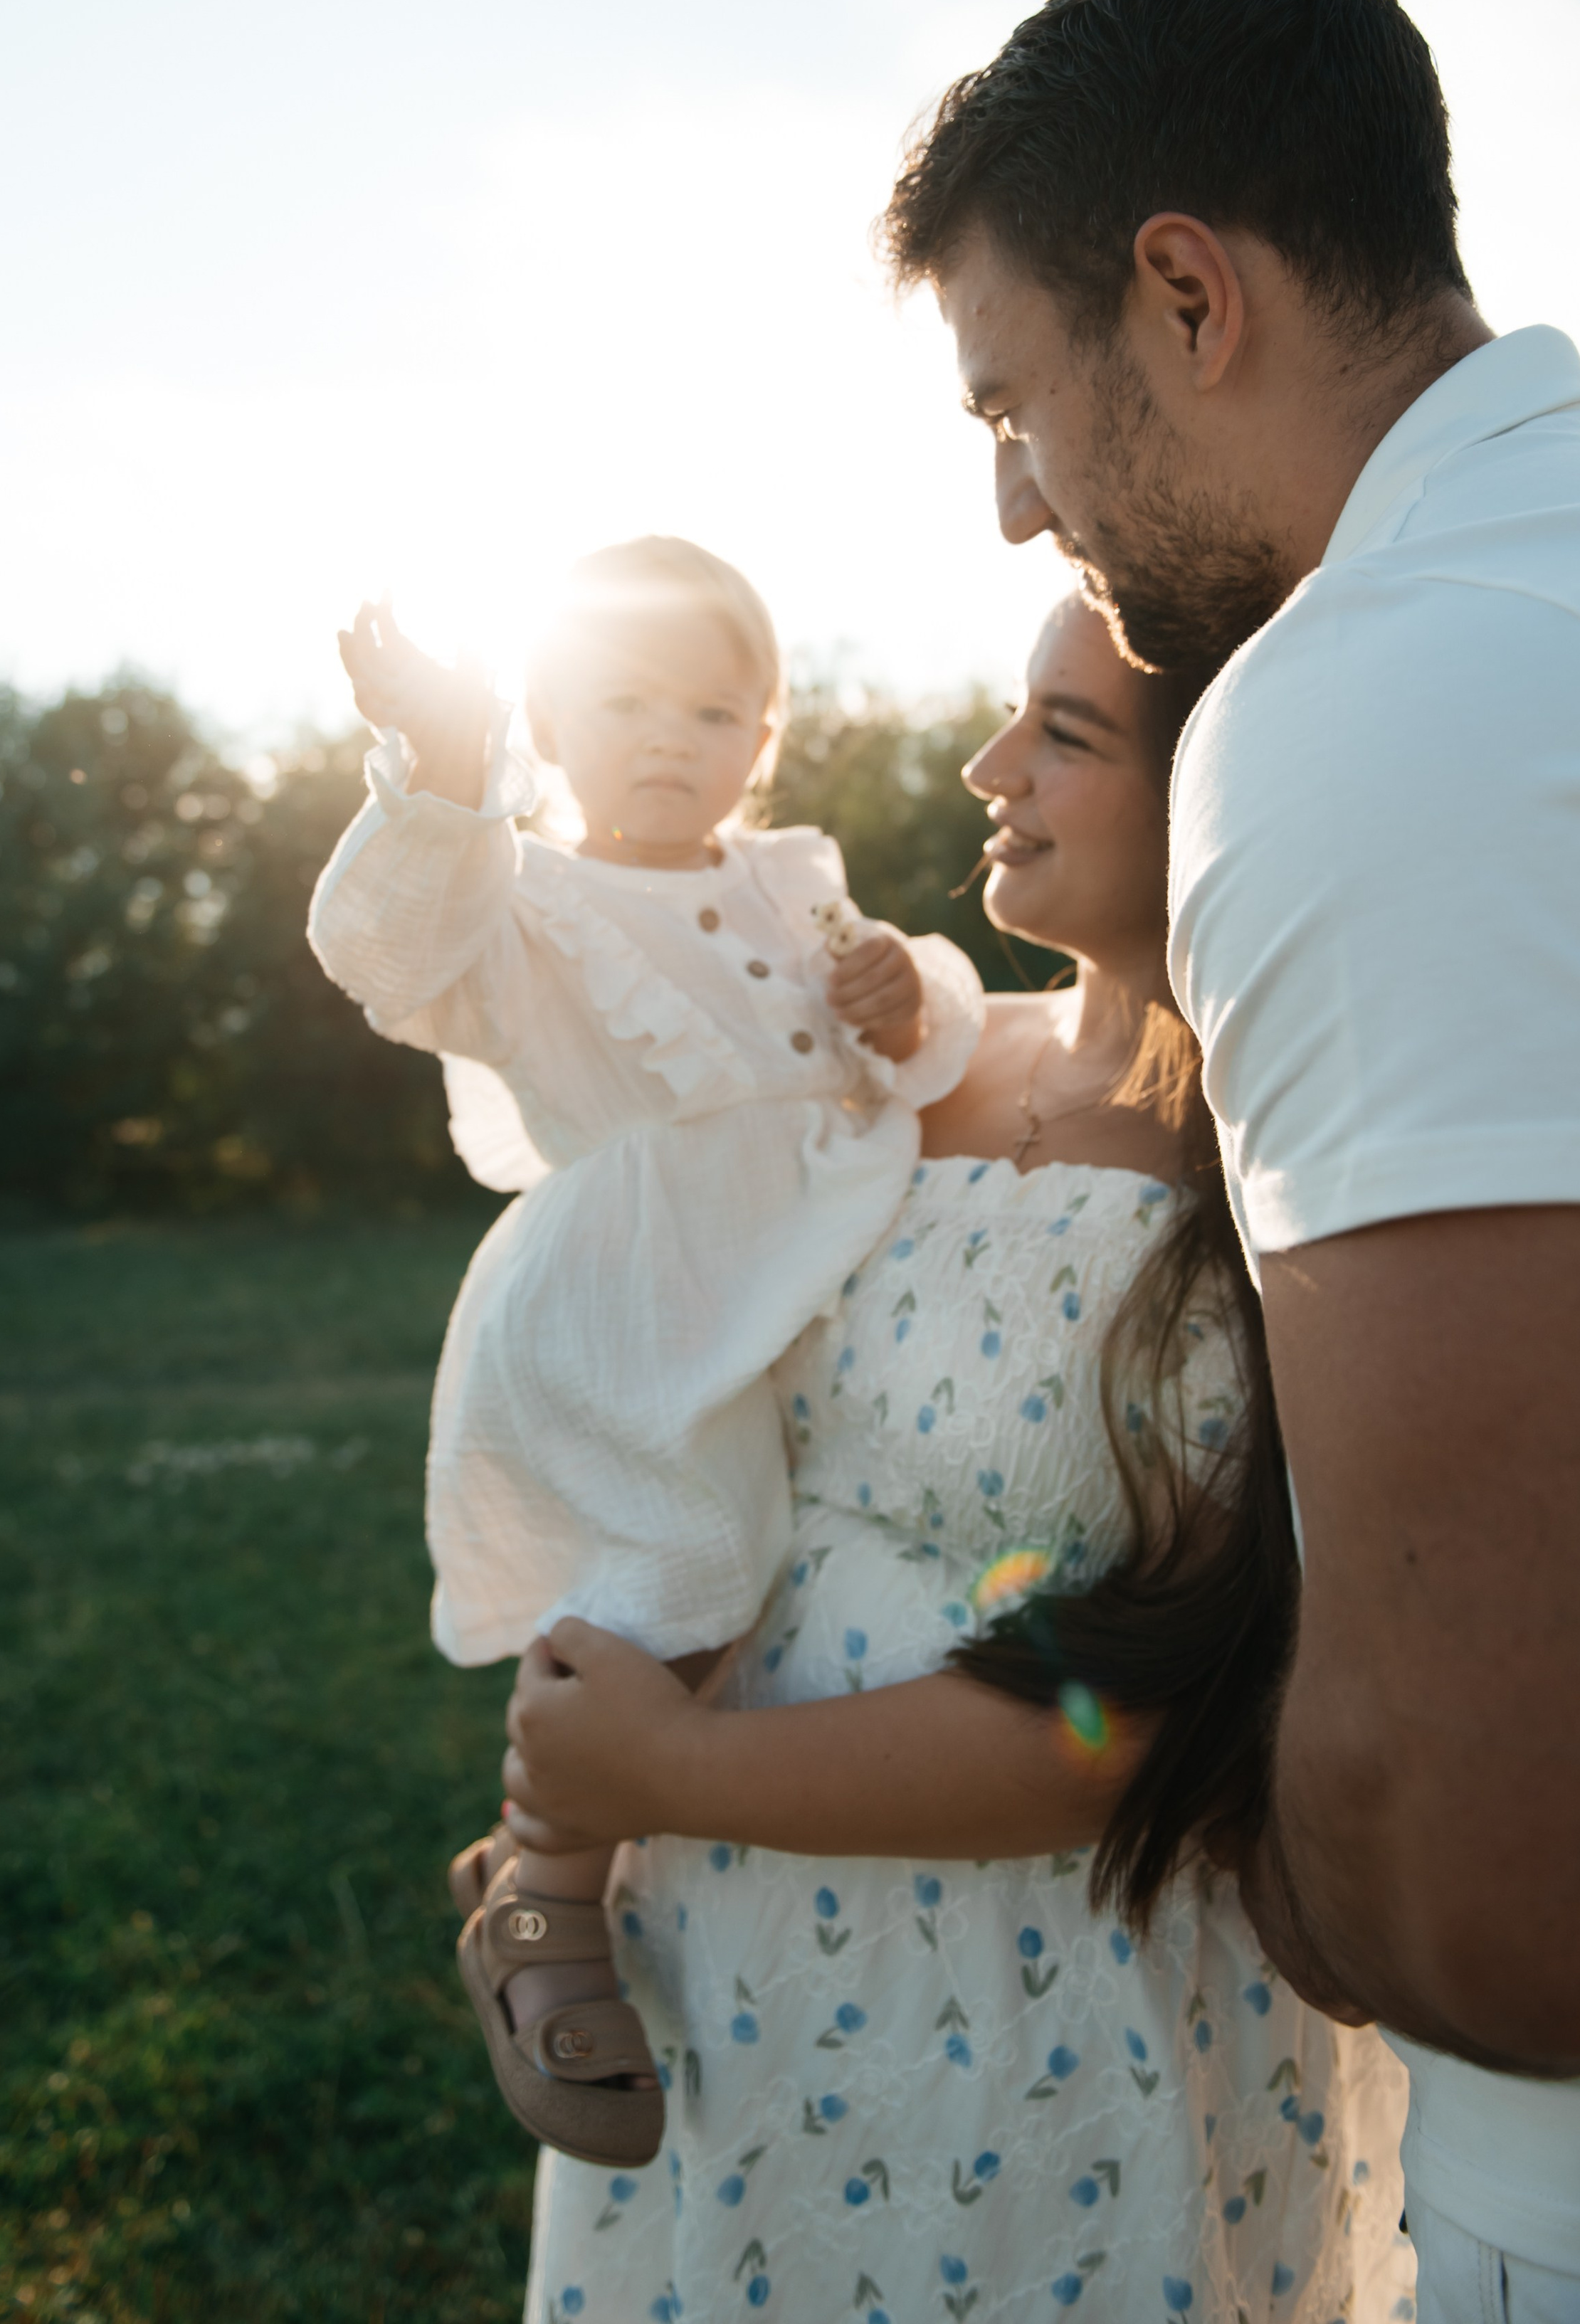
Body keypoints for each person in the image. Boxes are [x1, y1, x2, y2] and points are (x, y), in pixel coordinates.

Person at [882, 0, 1580, 2318]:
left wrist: (1297, 1868)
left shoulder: (1364, 705)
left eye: (1014, 401)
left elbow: (1512, 1882)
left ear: (1186, 295)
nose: (1018, 503)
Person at [505, 594, 1413, 2323]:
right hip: (733, 1951)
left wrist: (656, 1775)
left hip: (1058, 2005)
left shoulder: (1282, 1158)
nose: (987, 764)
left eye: (1063, 734)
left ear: (1227, 783)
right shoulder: (886, 1063)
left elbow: (1144, 1712)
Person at [305, 534, 984, 2167]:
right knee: (686, 1564)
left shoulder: (787, 881)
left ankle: (557, 1852)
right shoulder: (522, 901)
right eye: (623, 700)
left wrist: (907, 996)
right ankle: (537, 1887)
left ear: (763, 740)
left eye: (712, 709)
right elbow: (387, 955)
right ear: (546, 718)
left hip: (767, 1283)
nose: (669, 738)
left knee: (727, 1583)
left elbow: (918, 1023)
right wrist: (448, 768)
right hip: (621, 1311)